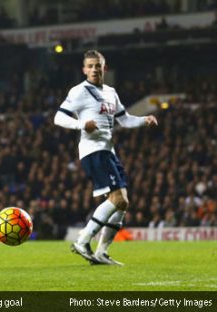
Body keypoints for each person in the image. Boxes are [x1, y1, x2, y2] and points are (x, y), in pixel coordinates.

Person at [54, 50, 158, 265]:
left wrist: (144, 120)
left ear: (104, 68)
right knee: (118, 199)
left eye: (98, 65)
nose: (94, 69)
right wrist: (81, 124)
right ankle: (82, 240)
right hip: (93, 150)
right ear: (84, 70)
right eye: (90, 66)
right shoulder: (79, 91)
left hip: (108, 150)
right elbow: (59, 117)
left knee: (123, 203)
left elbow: (125, 120)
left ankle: (101, 252)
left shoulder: (111, 92)